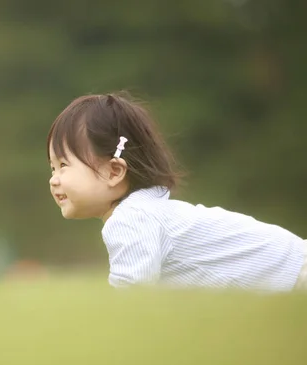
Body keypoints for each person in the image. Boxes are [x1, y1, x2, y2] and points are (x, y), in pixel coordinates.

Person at [47, 92, 307, 291]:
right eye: (52, 168)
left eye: (63, 165)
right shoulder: (148, 211)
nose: (54, 180)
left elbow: (130, 299)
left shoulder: (132, 217)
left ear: (114, 172)